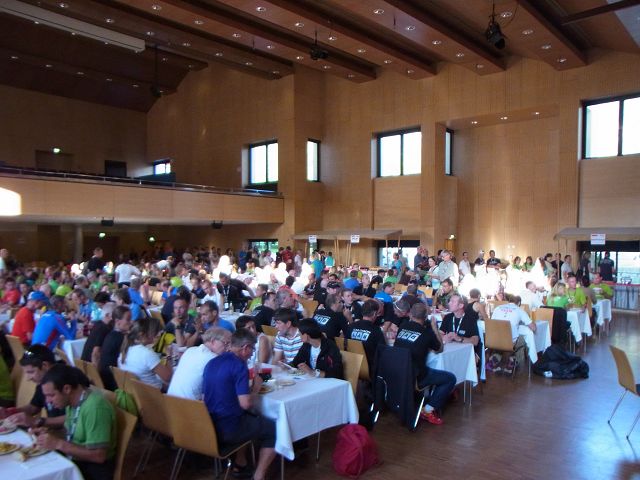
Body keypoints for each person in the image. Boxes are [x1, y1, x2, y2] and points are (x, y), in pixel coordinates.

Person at [203, 329, 276, 480]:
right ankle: (259, 475)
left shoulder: (212, 362)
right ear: (245, 348)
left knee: (249, 418)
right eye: (252, 350)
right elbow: (245, 404)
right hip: (228, 428)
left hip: (209, 425)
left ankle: (240, 463)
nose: (251, 354)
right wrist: (256, 387)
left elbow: (206, 396)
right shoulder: (239, 365)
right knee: (275, 429)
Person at [34, 364, 116, 480]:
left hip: (92, 470)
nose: (48, 401)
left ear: (67, 389)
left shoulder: (95, 408)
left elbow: (99, 456)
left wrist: (58, 444)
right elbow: (72, 431)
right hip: (75, 460)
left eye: (51, 395)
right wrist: (49, 436)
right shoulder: (72, 402)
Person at [394, 303, 455, 425]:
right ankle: (427, 409)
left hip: (397, 372)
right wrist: (434, 328)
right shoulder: (426, 333)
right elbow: (440, 349)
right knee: (450, 378)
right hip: (416, 377)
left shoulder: (402, 327)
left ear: (410, 314)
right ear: (426, 317)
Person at [0, 345, 66, 428]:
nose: (28, 378)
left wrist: (37, 421)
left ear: (45, 365)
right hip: (52, 431)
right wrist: (11, 412)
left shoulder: (65, 381)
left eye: (31, 372)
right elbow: (33, 407)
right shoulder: (43, 381)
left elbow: (73, 418)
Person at [167, 327, 231, 400]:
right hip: (190, 405)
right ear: (213, 341)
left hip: (170, 400)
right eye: (226, 343)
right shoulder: (214, 359)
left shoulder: (190, 350)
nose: (229, 348)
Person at [118, 316, 172, 389]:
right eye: (154, 332)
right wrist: (168, 356)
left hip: (137, 391)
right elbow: (168, 377)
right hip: (153, 393)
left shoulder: (125, 349)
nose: (158, 335)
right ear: (142, 335)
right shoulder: (146, 354)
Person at [490, 295, 536, 373]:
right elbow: (533, 328)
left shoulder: (497, 308)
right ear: (519, 303)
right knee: (521, 339)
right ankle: (506, 362)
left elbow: (492, 322)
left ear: (509, 301)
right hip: (508, 343)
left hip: (493, 340)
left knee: (510, 337)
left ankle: (498, 358)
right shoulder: (520, 310)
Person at [98, 305, 132, 391]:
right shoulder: (120, 338)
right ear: (117, 321)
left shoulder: (111, 334)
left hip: (105, 378)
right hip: (114, 382)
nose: (131, 322)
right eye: (128, 319)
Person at [346, 299, 386, 369]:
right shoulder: (376, 330)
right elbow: (383, 351)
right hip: (368, 367)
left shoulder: (351, 326)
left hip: (351, 364)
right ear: (374, 314)